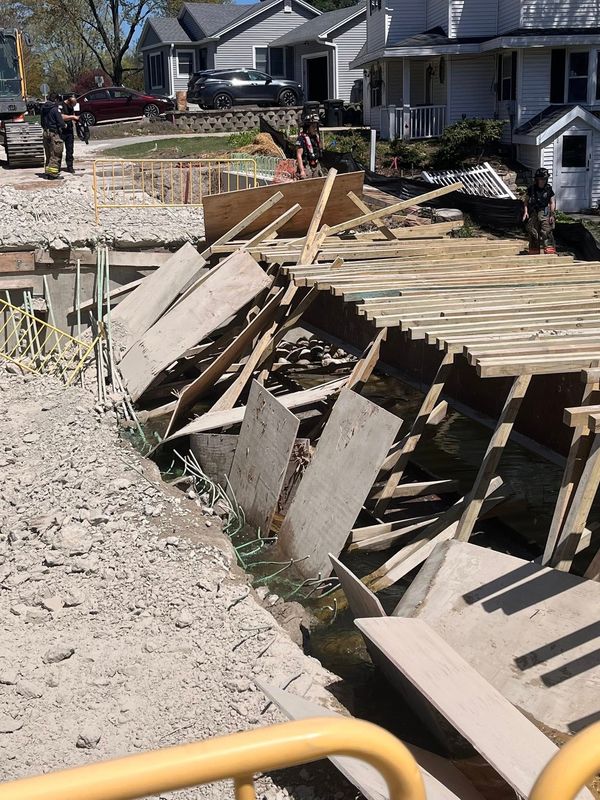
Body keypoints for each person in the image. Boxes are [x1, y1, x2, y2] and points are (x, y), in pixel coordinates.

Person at [523, 167, 557, 255]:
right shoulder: (531, 189)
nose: (543, 181)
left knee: (546, 231)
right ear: (537, 179)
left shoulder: (548, 189)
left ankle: (549, 249)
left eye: (544, 179)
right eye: (541, 179)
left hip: (545, 211)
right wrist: (525, 212)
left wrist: (552, 214)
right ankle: (534, 250)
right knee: (533, 231)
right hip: (534, 211)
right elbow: (526, 201)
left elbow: (552, 202)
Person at [40, 93, 66, 180]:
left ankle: (47, 173)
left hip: (45, 132)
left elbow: (42, 122)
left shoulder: (43, 109)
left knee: (48, 154)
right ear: (56, 100)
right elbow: (60, 122)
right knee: (56, 154)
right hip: (54, 133)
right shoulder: (55, 109)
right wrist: (64, 125)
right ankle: (53, 174)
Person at [295, 114, 323, 179]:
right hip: (306, 166)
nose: (315, 129)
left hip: (316, 165)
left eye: (316, 127)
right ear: (308, 127)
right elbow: (299, 155)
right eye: (313, 127)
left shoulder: (316, 138)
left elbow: (320, 149)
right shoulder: (301, 139)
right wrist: (302, 171)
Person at [59, 93, 81, 174]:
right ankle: (57, 166)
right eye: (72, 104)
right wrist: (72, 117)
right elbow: (61, 116)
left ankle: (70, 166)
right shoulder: (61, 105)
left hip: (69, 130)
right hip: (61, 130)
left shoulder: (71, 106)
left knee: (70, 149)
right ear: (68, 101)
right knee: (59, 150)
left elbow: (73, 115)